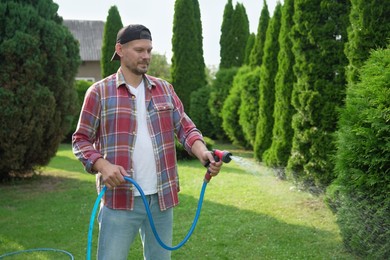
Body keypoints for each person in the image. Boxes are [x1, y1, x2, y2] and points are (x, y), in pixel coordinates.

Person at [72, 24, 223, 260]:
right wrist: (103, 166)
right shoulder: (99, 92)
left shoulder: (164, 89)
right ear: (120, 50)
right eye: (139, 50)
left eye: (149, 50)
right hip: (119, 199)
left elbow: (185, 128)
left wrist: (203, 152)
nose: (146, 56)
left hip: (161, 198)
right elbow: (80, 139)